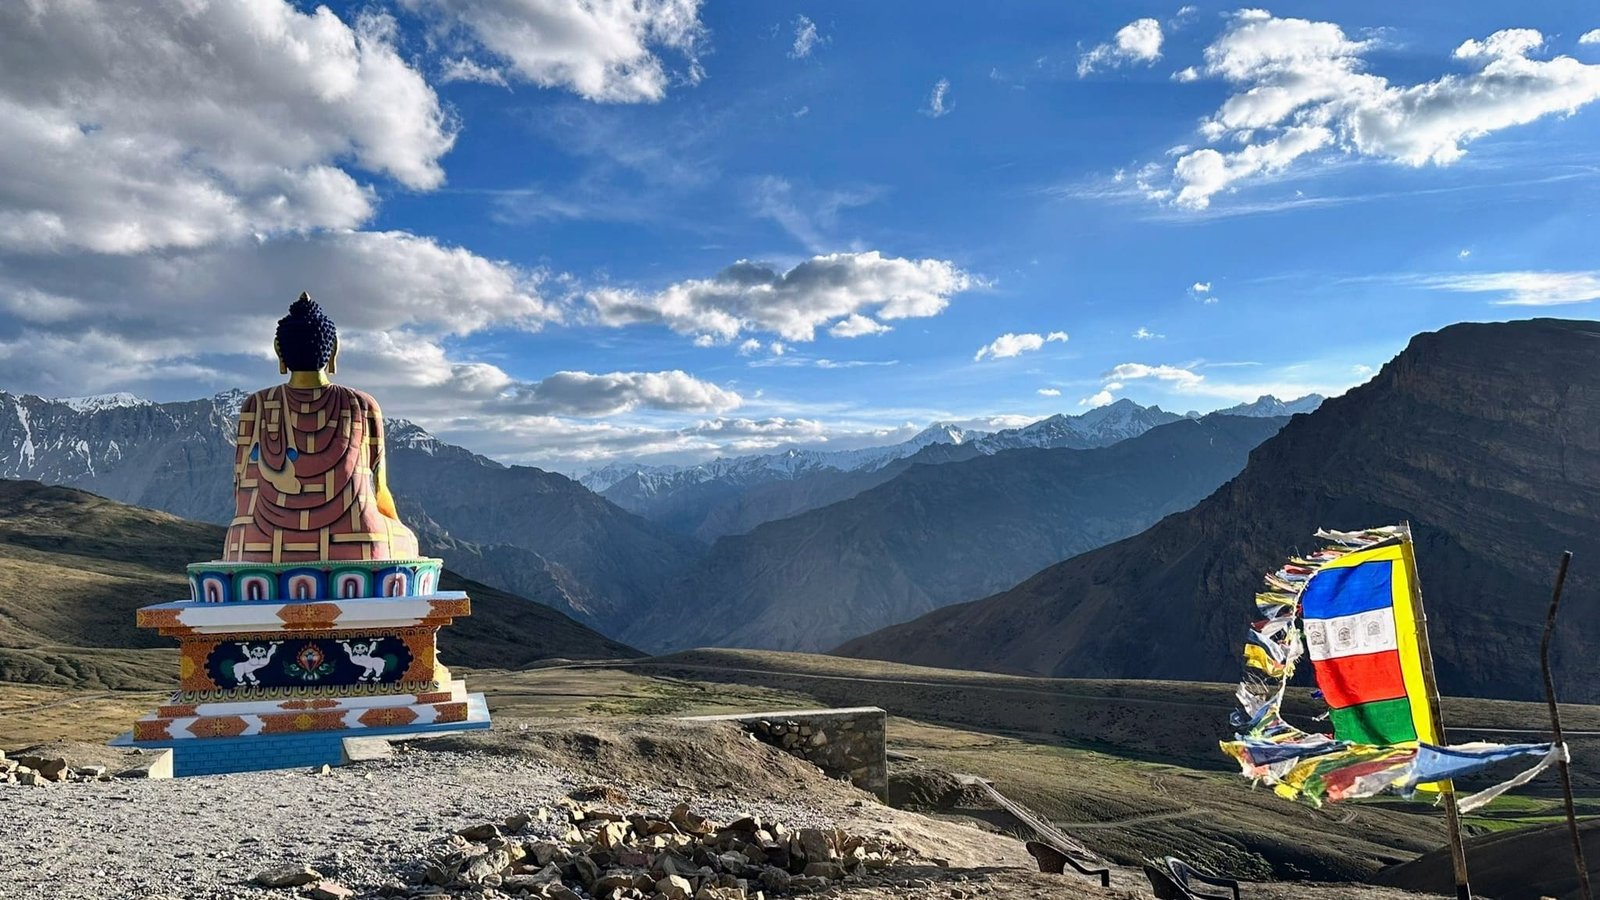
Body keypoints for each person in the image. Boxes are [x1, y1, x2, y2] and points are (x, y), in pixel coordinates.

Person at [223, 294, 420, 563]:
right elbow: (379, 490)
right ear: (334, 350)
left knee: (241, 539)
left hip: (258, 545)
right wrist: (400, 529)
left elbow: (241, 488)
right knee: (405, 540)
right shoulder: (361, 405)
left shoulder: (254, 406)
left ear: (279, 350)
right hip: (355, 542)